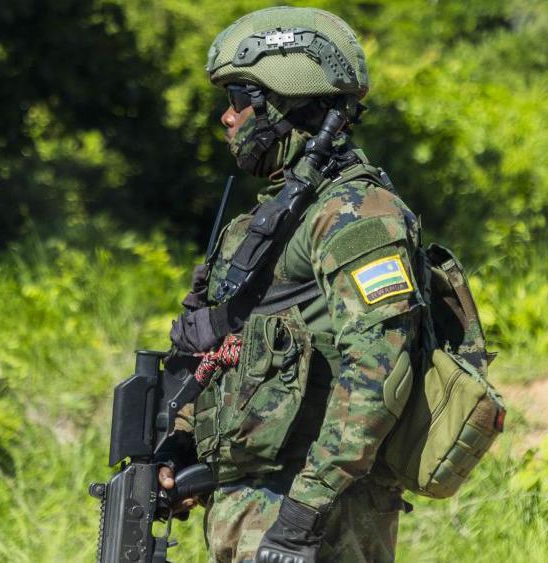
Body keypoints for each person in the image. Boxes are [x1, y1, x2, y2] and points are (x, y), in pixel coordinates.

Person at [164, 7, 423, 562]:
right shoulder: (267, 224)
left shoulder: (359, 215)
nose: (226, 119)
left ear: (278, 99)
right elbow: (232, 354)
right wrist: (183, 440)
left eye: (236, 98)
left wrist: (302, 518)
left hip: (320, 523)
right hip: (255, 515)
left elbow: (379, 376)